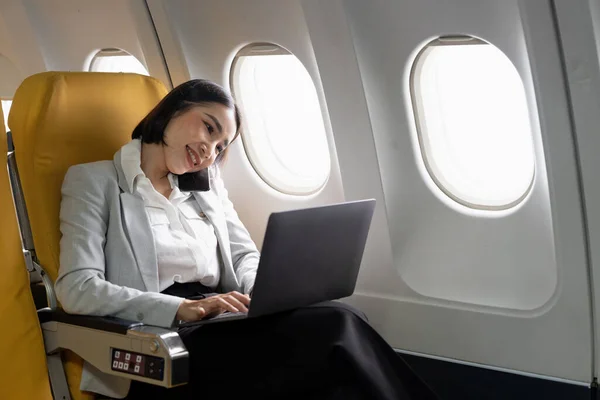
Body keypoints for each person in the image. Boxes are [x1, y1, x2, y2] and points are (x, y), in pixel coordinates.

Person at [55, 79, 438, 400]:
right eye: (208, 127)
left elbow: (243, 257)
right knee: (334, 328)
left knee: (343, 320)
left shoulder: (206, 189)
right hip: (160, 343)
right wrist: (177, 308)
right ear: (171, 110)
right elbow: (76, 289)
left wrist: (265, 293)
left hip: (221, 320)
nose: (211, 151)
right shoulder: (95, 181)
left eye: (222, 146)